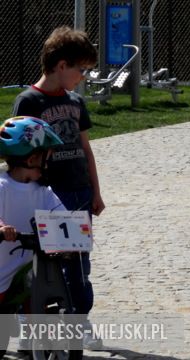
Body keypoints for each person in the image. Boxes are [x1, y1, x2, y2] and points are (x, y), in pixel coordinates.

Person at [11, 26, 104, 348]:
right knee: (37, 262)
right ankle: (31, 325)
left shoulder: (77, 102)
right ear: (62, 65)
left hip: (78, 193)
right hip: (48, 193)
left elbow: (86, 149)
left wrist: (96, 191)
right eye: (81, 70)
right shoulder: (28, 101)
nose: (83, 77)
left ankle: (79, 320)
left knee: (79, 261)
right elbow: (20, 151)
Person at [0, 117, 65, 350]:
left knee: (39, 295)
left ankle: (40, 341)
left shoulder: (44, 191)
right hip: (3, 267)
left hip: (32, 265)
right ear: (32, 158)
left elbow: (61, 214)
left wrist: (75, 231)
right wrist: (2, 228)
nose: (48, 164)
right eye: (45, 158)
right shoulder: (2, 186)